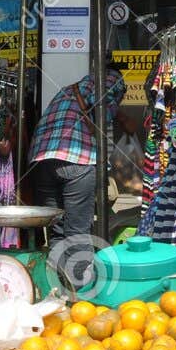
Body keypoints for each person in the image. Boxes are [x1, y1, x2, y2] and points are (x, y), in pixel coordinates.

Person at [27, 68, 126, 245]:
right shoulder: (111, 78)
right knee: (77, 234)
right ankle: (78, 273)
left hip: (41, 160)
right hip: (76, 159)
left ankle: (55, 272)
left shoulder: (67, 90)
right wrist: (117, 113)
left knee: (56, 231)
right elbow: (100, 102)